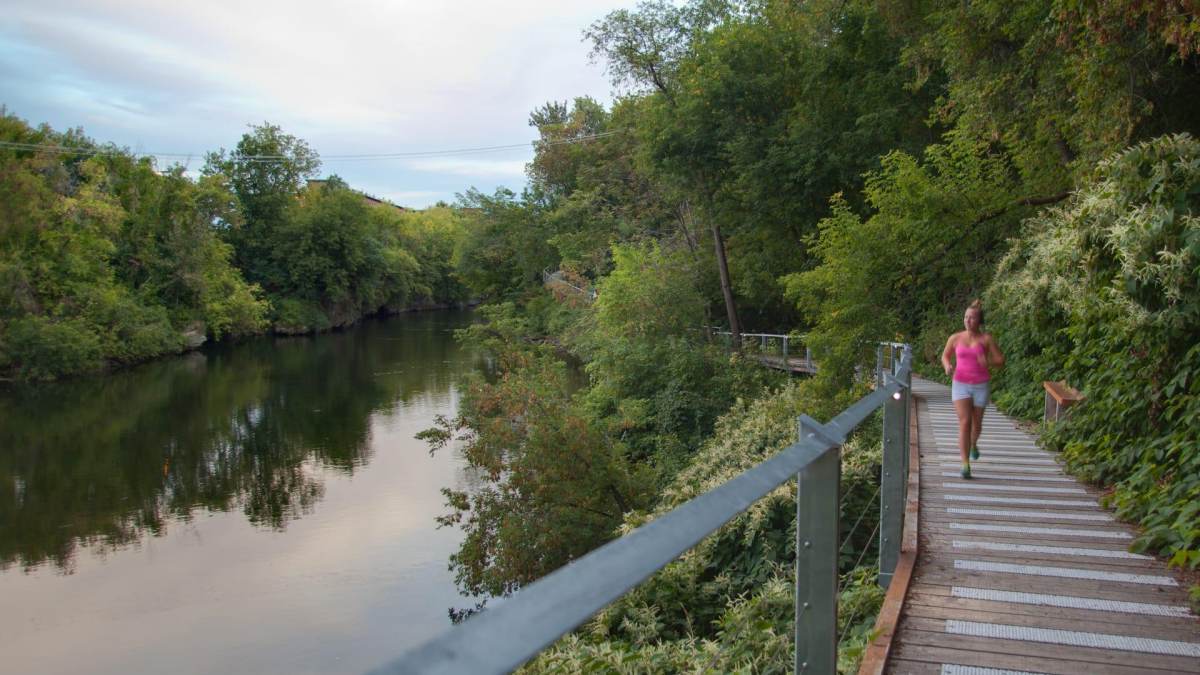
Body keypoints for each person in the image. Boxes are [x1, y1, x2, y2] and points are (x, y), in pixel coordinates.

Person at [941, 299, 1005, 479]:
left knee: (977, 424)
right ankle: (965, 464)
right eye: (966, 317)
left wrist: (988, 361)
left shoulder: (986, 339)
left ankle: (973, 444)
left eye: (972, 318)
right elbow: (945, 356)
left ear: (979, 321)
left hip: (980, 385)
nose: (968, 321)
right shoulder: (955, 338)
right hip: (960, 384)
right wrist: (947, 366)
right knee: (965, 422)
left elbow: (1001, 360)